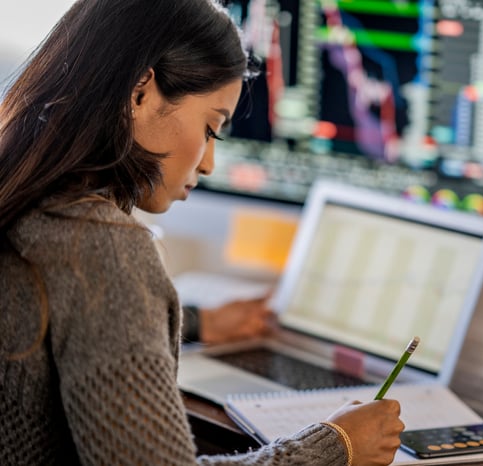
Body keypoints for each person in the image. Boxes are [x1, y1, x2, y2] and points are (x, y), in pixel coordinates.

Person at [0, 0, 404, 464]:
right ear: (140, 94)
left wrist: (196, 322)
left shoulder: (24, 199)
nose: (209, 163)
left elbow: (60, 312)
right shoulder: (101, 249)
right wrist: (338, 444)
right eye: (212, 128)